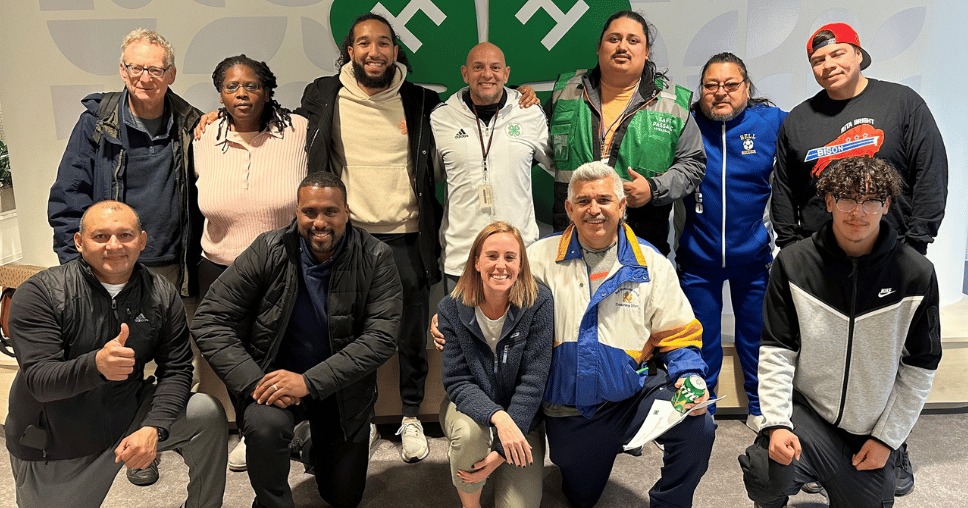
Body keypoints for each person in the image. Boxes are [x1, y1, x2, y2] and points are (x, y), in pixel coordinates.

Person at [769, 22, 947, 495]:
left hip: (891, 257)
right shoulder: (800, 120)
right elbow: (785, 186)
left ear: (859, 54)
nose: (829, 66)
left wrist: (917, 242)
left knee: (885, 360)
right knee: (824, 360)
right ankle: (822, 452)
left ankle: (893, 443)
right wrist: (791, 248)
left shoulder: (900, 102)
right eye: (818, 61)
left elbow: (931, 169)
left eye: (837, 55)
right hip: (821, 261)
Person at [192, 172, 402, 508]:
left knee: (343, 497)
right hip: (273, 381)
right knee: (264, 429)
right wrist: (256, 382)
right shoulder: (268, 248)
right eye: (310, 212)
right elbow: (209, 319)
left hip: (341, 391)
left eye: (330, 212)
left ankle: (306, 442)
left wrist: (306, 382)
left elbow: (381, 339)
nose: (320, 222)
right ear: (297, 212)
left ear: (347, 212)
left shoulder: (376, 256)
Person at [741, 156, 942, 508]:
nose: (858, 213)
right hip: (809, 415)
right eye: (847, 199)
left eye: (871, 201)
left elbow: (921, 367)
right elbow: (777, 350)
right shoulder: (793, 264)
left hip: (868, 429)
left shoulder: (916, 273)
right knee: (765, 471)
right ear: (829, 201)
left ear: (887, 204)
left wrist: (887, 440)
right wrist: (776, 423)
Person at [4, 201, 227, 508]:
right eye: (100, 236)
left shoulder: (161, 294)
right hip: (57, 440)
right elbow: (40, 381)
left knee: (205, 412)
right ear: (79, 242)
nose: (114, 246)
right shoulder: (40, 294)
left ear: (143, 241)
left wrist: (153, 426)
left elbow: (176, 368)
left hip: (126, 414)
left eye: (125, 235)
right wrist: (95, 365)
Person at [291, 13, 441, 461]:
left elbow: (475, 112)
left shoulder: (422, 101)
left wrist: (525, 98)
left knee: (410, 336)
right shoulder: (322, 95)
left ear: (396, 51)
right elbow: (276, 125)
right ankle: (365, 419)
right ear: (350, 51)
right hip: (348, 240)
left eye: (383, 43)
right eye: (363, 43)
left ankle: (412, 414)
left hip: (408, 236)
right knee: (352, 338)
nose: (373, 52)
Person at [193, 54, 308, 471]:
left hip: (284, 266)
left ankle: (292, 427)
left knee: (287, 348)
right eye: (231, 87)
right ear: (220, 93)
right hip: (221, 267)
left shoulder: (298, 130)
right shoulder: (202, 135)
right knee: (233, 355)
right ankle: (250, 429)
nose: (242, 94)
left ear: (267, 89)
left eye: (252, 85)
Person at [677, 52, 786, 431]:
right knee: (698, 341)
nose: (720, 93)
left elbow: (814, 132)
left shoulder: (770, 122)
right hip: (698, 259)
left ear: (747, 87)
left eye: (730, 84)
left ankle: (760, 408)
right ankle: (699, 412)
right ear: (701, 90)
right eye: (711, 85)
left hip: (753, 259)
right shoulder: (685, 122)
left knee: (756, 337)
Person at [48, 28, 202, 296]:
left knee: (174, 338)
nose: (145, 78)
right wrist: (76, 268)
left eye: (155, 70)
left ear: (171, 75)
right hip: (112, 266)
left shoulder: (191, 125)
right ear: (122, 71)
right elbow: (68, 199)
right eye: (136, 68)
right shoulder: (95, 123)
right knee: (117, 338)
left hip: (175, 270)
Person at [546, 10, 705, 255]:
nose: (622, 47)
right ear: (599, 47)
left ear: (646, 51)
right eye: (614, 39)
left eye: (633, 40)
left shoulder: (672, 103)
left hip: (640, 238)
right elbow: (523, 140)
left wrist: (654, 188)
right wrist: (515, 97)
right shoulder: (565, 93)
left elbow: (693, 163)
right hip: (573, 239)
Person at [438, 221, 553, 508]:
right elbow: (457, 382)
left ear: (521, 264)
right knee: (469, 435)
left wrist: (502, 451)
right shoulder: (450, 308)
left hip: (523, 417)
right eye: (491, 256)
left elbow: (533, 381)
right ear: (476, 262)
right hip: (469, 409)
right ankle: (470, 503)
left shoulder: (539, 303)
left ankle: (500, 460)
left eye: (510, 257)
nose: (500, 265)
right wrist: (500, 419)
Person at [431, 43, 553, 288]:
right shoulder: (441, 118)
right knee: (461, 327)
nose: (487, 74)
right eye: (478, 67)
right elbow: (429, 177)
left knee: (519, 327)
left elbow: (557, 162)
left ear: (506, 73)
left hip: (518, 257)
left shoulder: (529, 113)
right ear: (465, 73)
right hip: (463, 258)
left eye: (495, 67)